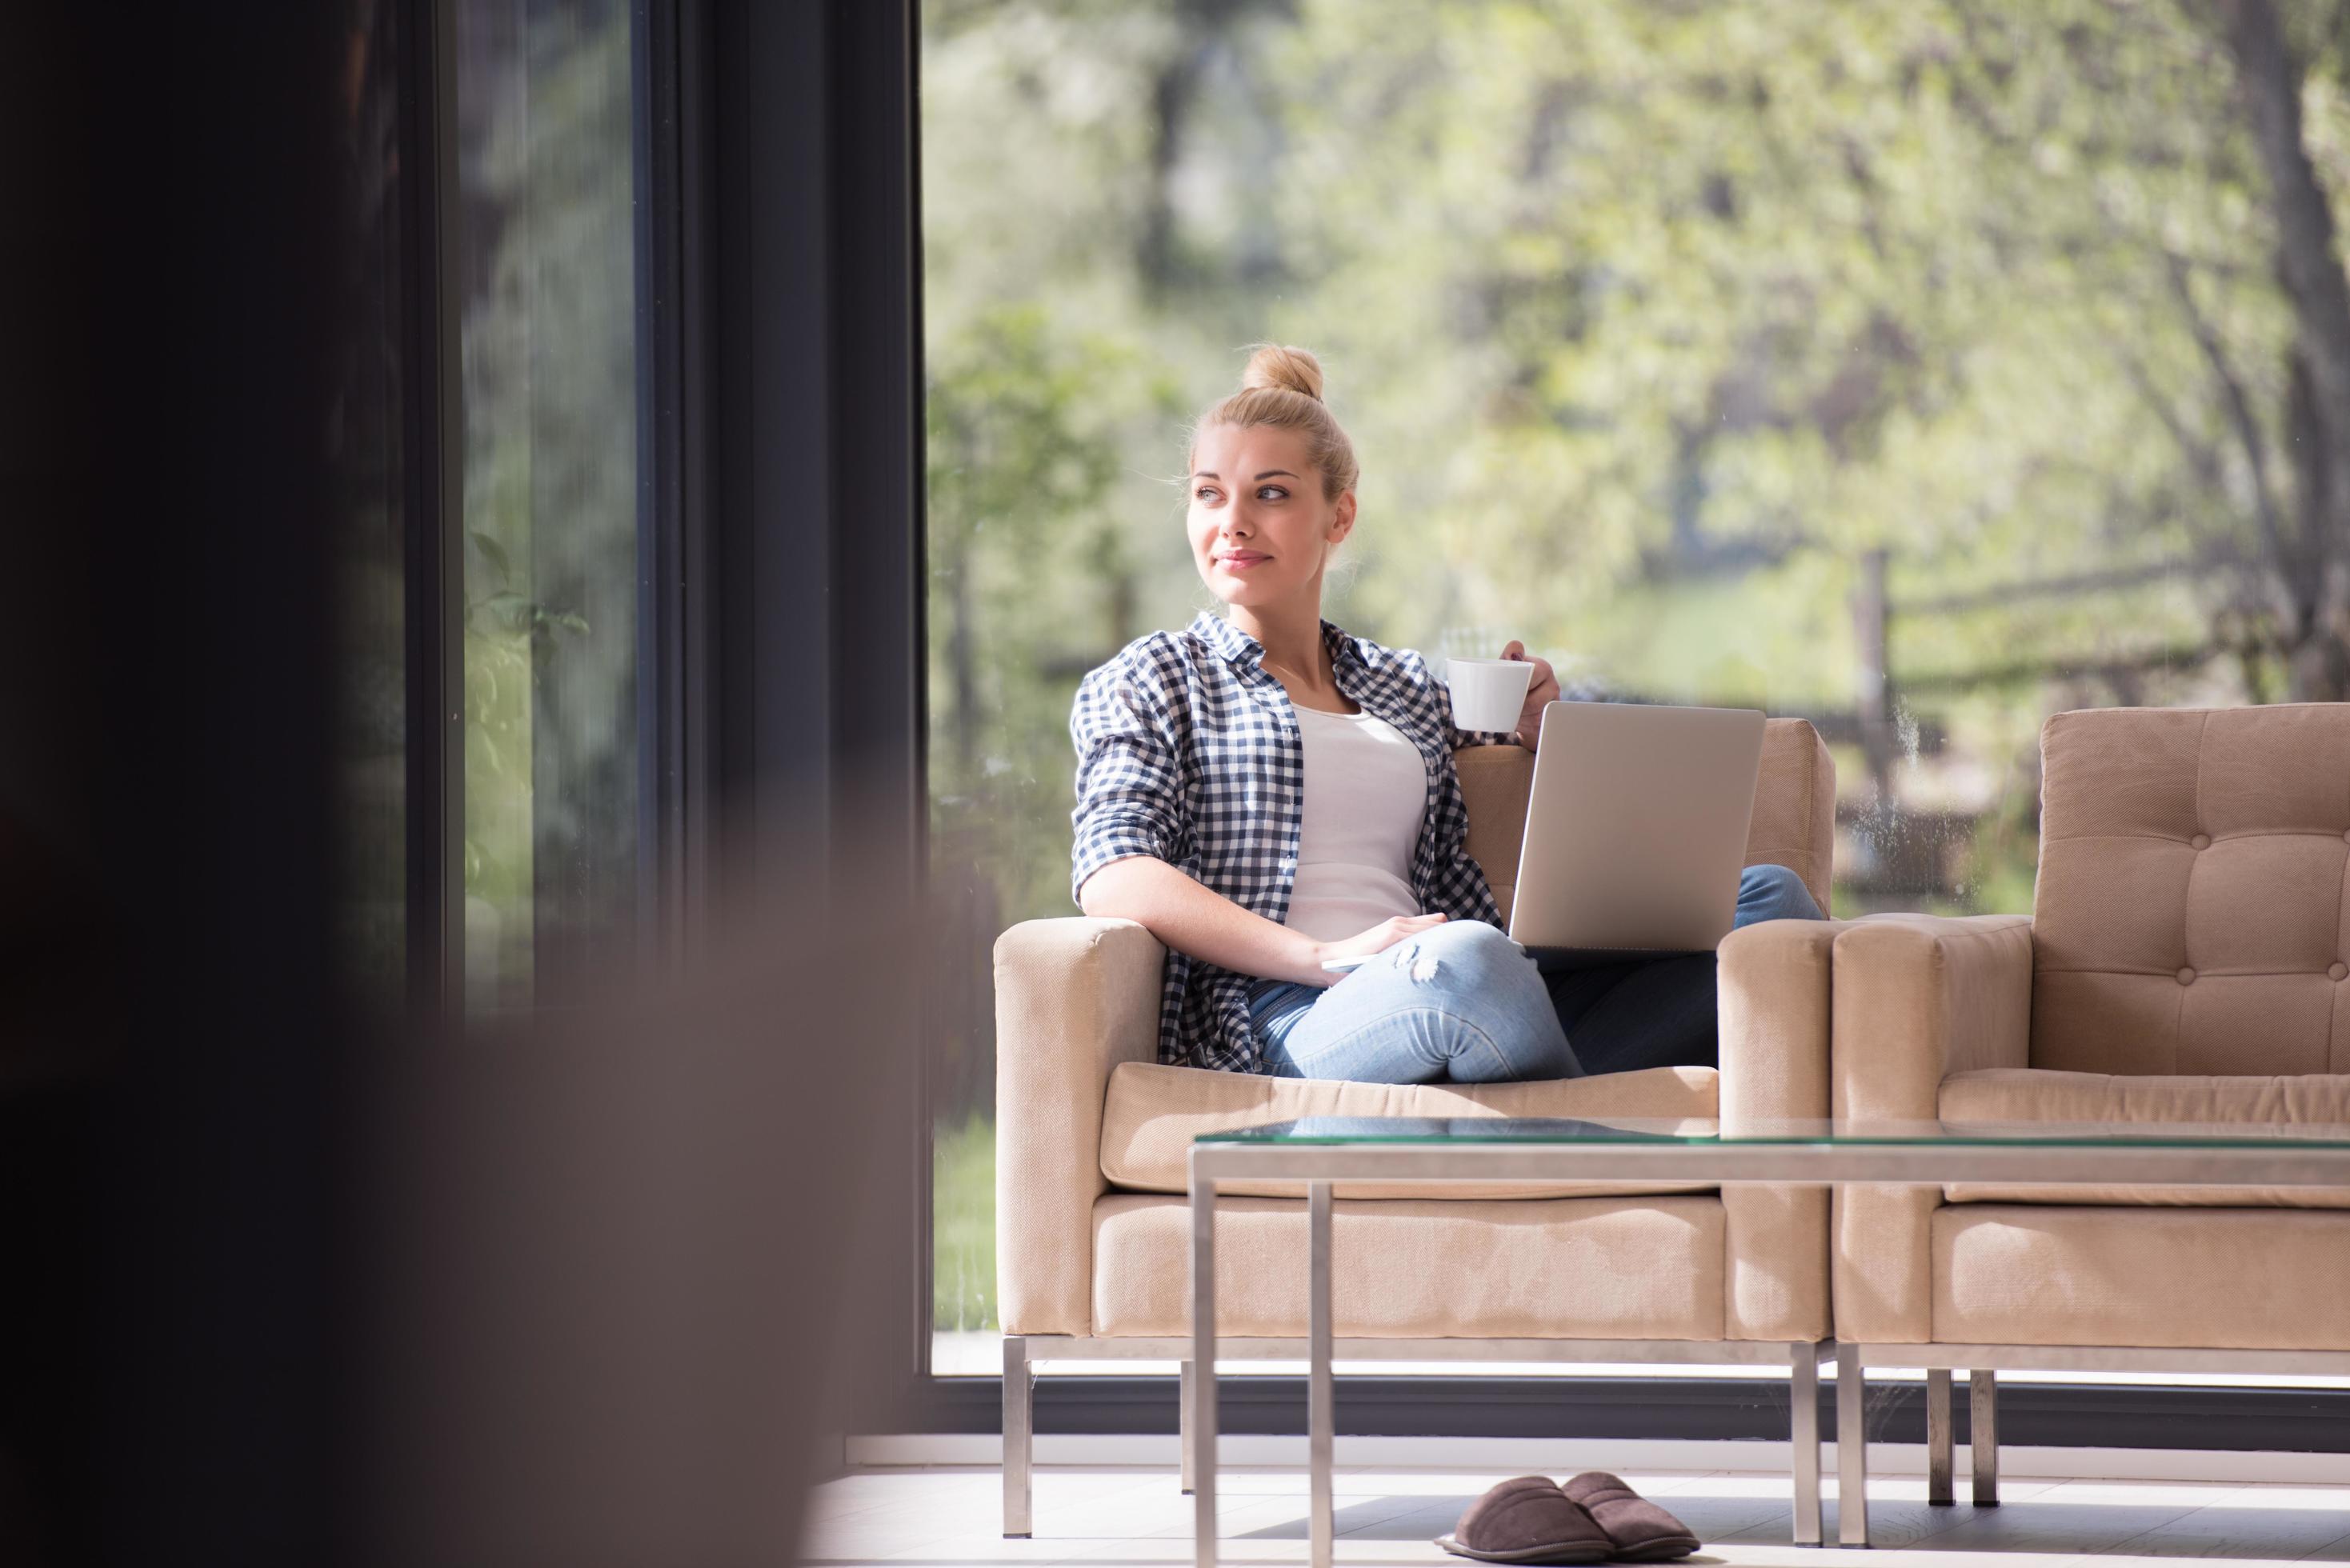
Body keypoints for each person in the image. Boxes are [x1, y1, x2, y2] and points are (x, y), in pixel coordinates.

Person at [1069, 344, 1823, 1084]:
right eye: (1209, 493)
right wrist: (1322, 955)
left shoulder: (1401, 684)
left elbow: (1522, 731)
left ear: (1339, 516)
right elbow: (1114, 871)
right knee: (1467, 964)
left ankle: (1552, 1092)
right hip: (1291, 1010)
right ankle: (1579, 1133)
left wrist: (1539, 722)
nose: (1231, 522)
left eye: (1270, 493)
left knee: (1772, 905)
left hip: (1467, 969)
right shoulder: (1155, 676)